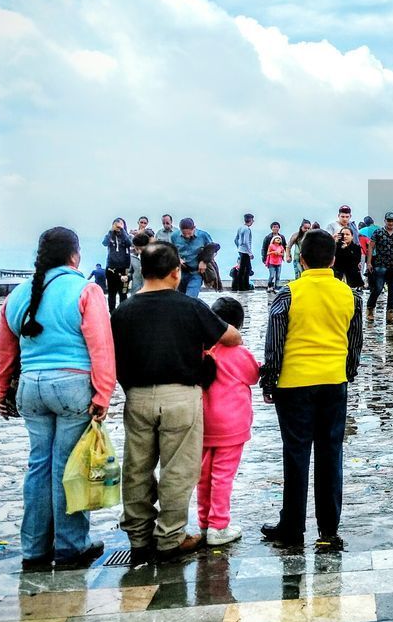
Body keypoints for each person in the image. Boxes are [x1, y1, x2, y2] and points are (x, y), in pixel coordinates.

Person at [111, 242, 242, 565]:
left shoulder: (122, 311)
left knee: (137, 469)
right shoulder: (190, 306)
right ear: (175, 272)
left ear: (143, 271)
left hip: (137, 397)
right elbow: (231, 337)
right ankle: (170, 537)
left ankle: (139, 538)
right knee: (178, 470)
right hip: (182, 396)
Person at [0, 227, 115, 571]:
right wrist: (103, 393)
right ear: (74, 256)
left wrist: (3, 390)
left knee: (38, 466)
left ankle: (33, 549)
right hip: (73, 387)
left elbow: (5, 352)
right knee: (68, 468)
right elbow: (101, 347)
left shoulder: (16, 296)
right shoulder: (85, 289)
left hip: (30, 387)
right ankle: (71, 546)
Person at [260, 229, 361, 551]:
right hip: (333, 381)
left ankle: (292, 525)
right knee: (331, 453)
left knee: (296, 454)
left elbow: (275, 341)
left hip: (294, 384)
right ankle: (328, 528)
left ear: (301, 259)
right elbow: (354, 342)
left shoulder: (288, 294)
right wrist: (346, 373)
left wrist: (270, 378)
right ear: (333, 259)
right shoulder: (349, 295)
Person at [198, 296, 260, 546]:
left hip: (203, 423)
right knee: (223, 475)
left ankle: (204, 522)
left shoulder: (200, 349)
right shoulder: (238, 352)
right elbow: (254, 376)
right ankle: (219, 525)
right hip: (231, 426)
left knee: (203, 474)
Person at [367, 211, 393, 324]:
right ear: (385, 221)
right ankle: (370, 309)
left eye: (392, 221)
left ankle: (390, 314)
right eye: (389, 220)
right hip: (380, 265)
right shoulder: (378, 232)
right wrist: (369, 262)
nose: (390, 223)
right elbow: (371, 247)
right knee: (377, 289)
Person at [171, 218, 215, 299]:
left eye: (189, 233)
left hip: (196, 272)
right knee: (180, 299)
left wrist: (204, 261)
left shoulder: (203, 236)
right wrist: (177, 259)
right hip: (180, 273)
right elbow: (171, 251)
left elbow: (213, 250)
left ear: (194, 228)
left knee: (190, 298)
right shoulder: (174, 236)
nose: (187, 236)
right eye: (184, 234)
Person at [102, 218, 133, 312]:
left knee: (123, 292)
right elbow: (104, 243)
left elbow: (129, 243)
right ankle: (112, 313)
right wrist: (111, 231)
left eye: (120, 224)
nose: (118, 226)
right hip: (111, 268)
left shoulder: (127, 236)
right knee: (112, 293)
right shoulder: (110, 235)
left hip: (124, 268)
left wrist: (122, 230)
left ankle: (123, 313)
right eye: (116, 224)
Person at [234, 213, 255, 292]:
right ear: (251, 220)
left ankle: (243, 286)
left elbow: (236, 239)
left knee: (245, 269)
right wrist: (250, 253)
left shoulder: (240, 228)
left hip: (241, 250)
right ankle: (242, 287)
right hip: (245, 252)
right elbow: (246, 242)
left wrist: (239, 247)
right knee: (244, 270)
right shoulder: (247, 229)